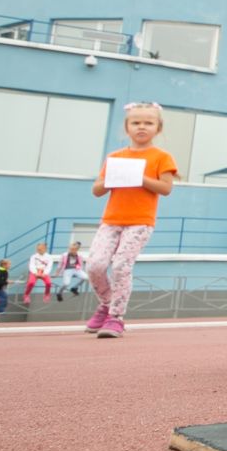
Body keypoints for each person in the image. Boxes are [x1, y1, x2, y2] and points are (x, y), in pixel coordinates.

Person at [85, 101, 178, 339]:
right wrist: (113, 178)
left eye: (148, 122)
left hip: (140, 222)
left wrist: (140, 177)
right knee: (94, 265)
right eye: (136, 122)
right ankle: (106, 303)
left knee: (120, 265)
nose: (142, 127)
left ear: (158, 127)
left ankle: (116, 317)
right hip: (111, 220)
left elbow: (166, 188)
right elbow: (96, 190)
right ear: (127, 127)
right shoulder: (116, 157)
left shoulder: (161, 157)